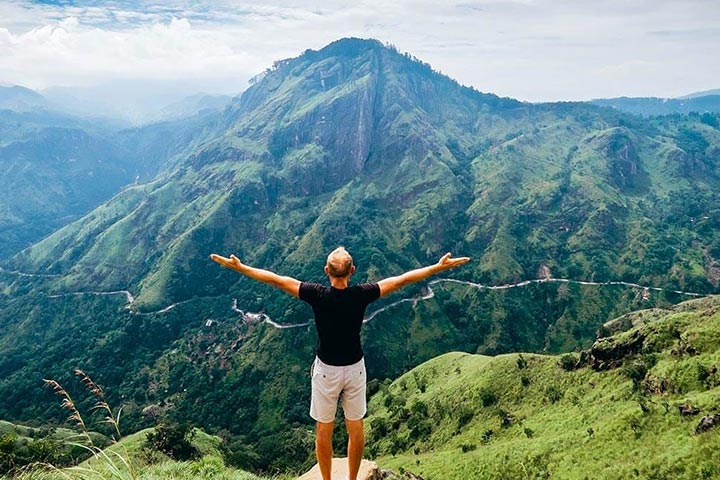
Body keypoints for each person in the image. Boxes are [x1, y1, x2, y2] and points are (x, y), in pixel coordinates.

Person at [210, 247, 469, 480]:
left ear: (326, 271)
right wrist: (437, 267)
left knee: (324, 430)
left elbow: (276, 280)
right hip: (355, 369)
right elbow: (402, 280)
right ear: (352, 271)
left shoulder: (316, 295)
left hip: (326, 372)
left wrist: (241, 268)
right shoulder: (362, 295)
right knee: (355, 428)